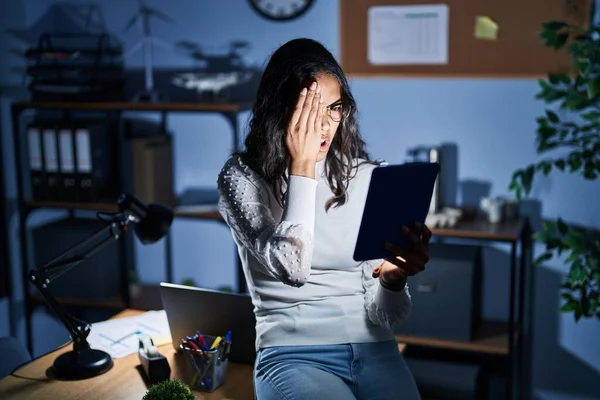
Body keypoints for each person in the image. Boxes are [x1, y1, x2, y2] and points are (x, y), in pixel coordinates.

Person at [217, 38, 430, 399]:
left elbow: (385, 317)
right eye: (312, 110)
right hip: (292, 356)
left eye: (335, 108)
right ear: (281, 110)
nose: (326, 124)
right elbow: (293, 268)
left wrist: (393, 280)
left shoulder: (366, 177)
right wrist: (303, 166)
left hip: (376, 350)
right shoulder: (241, 177)